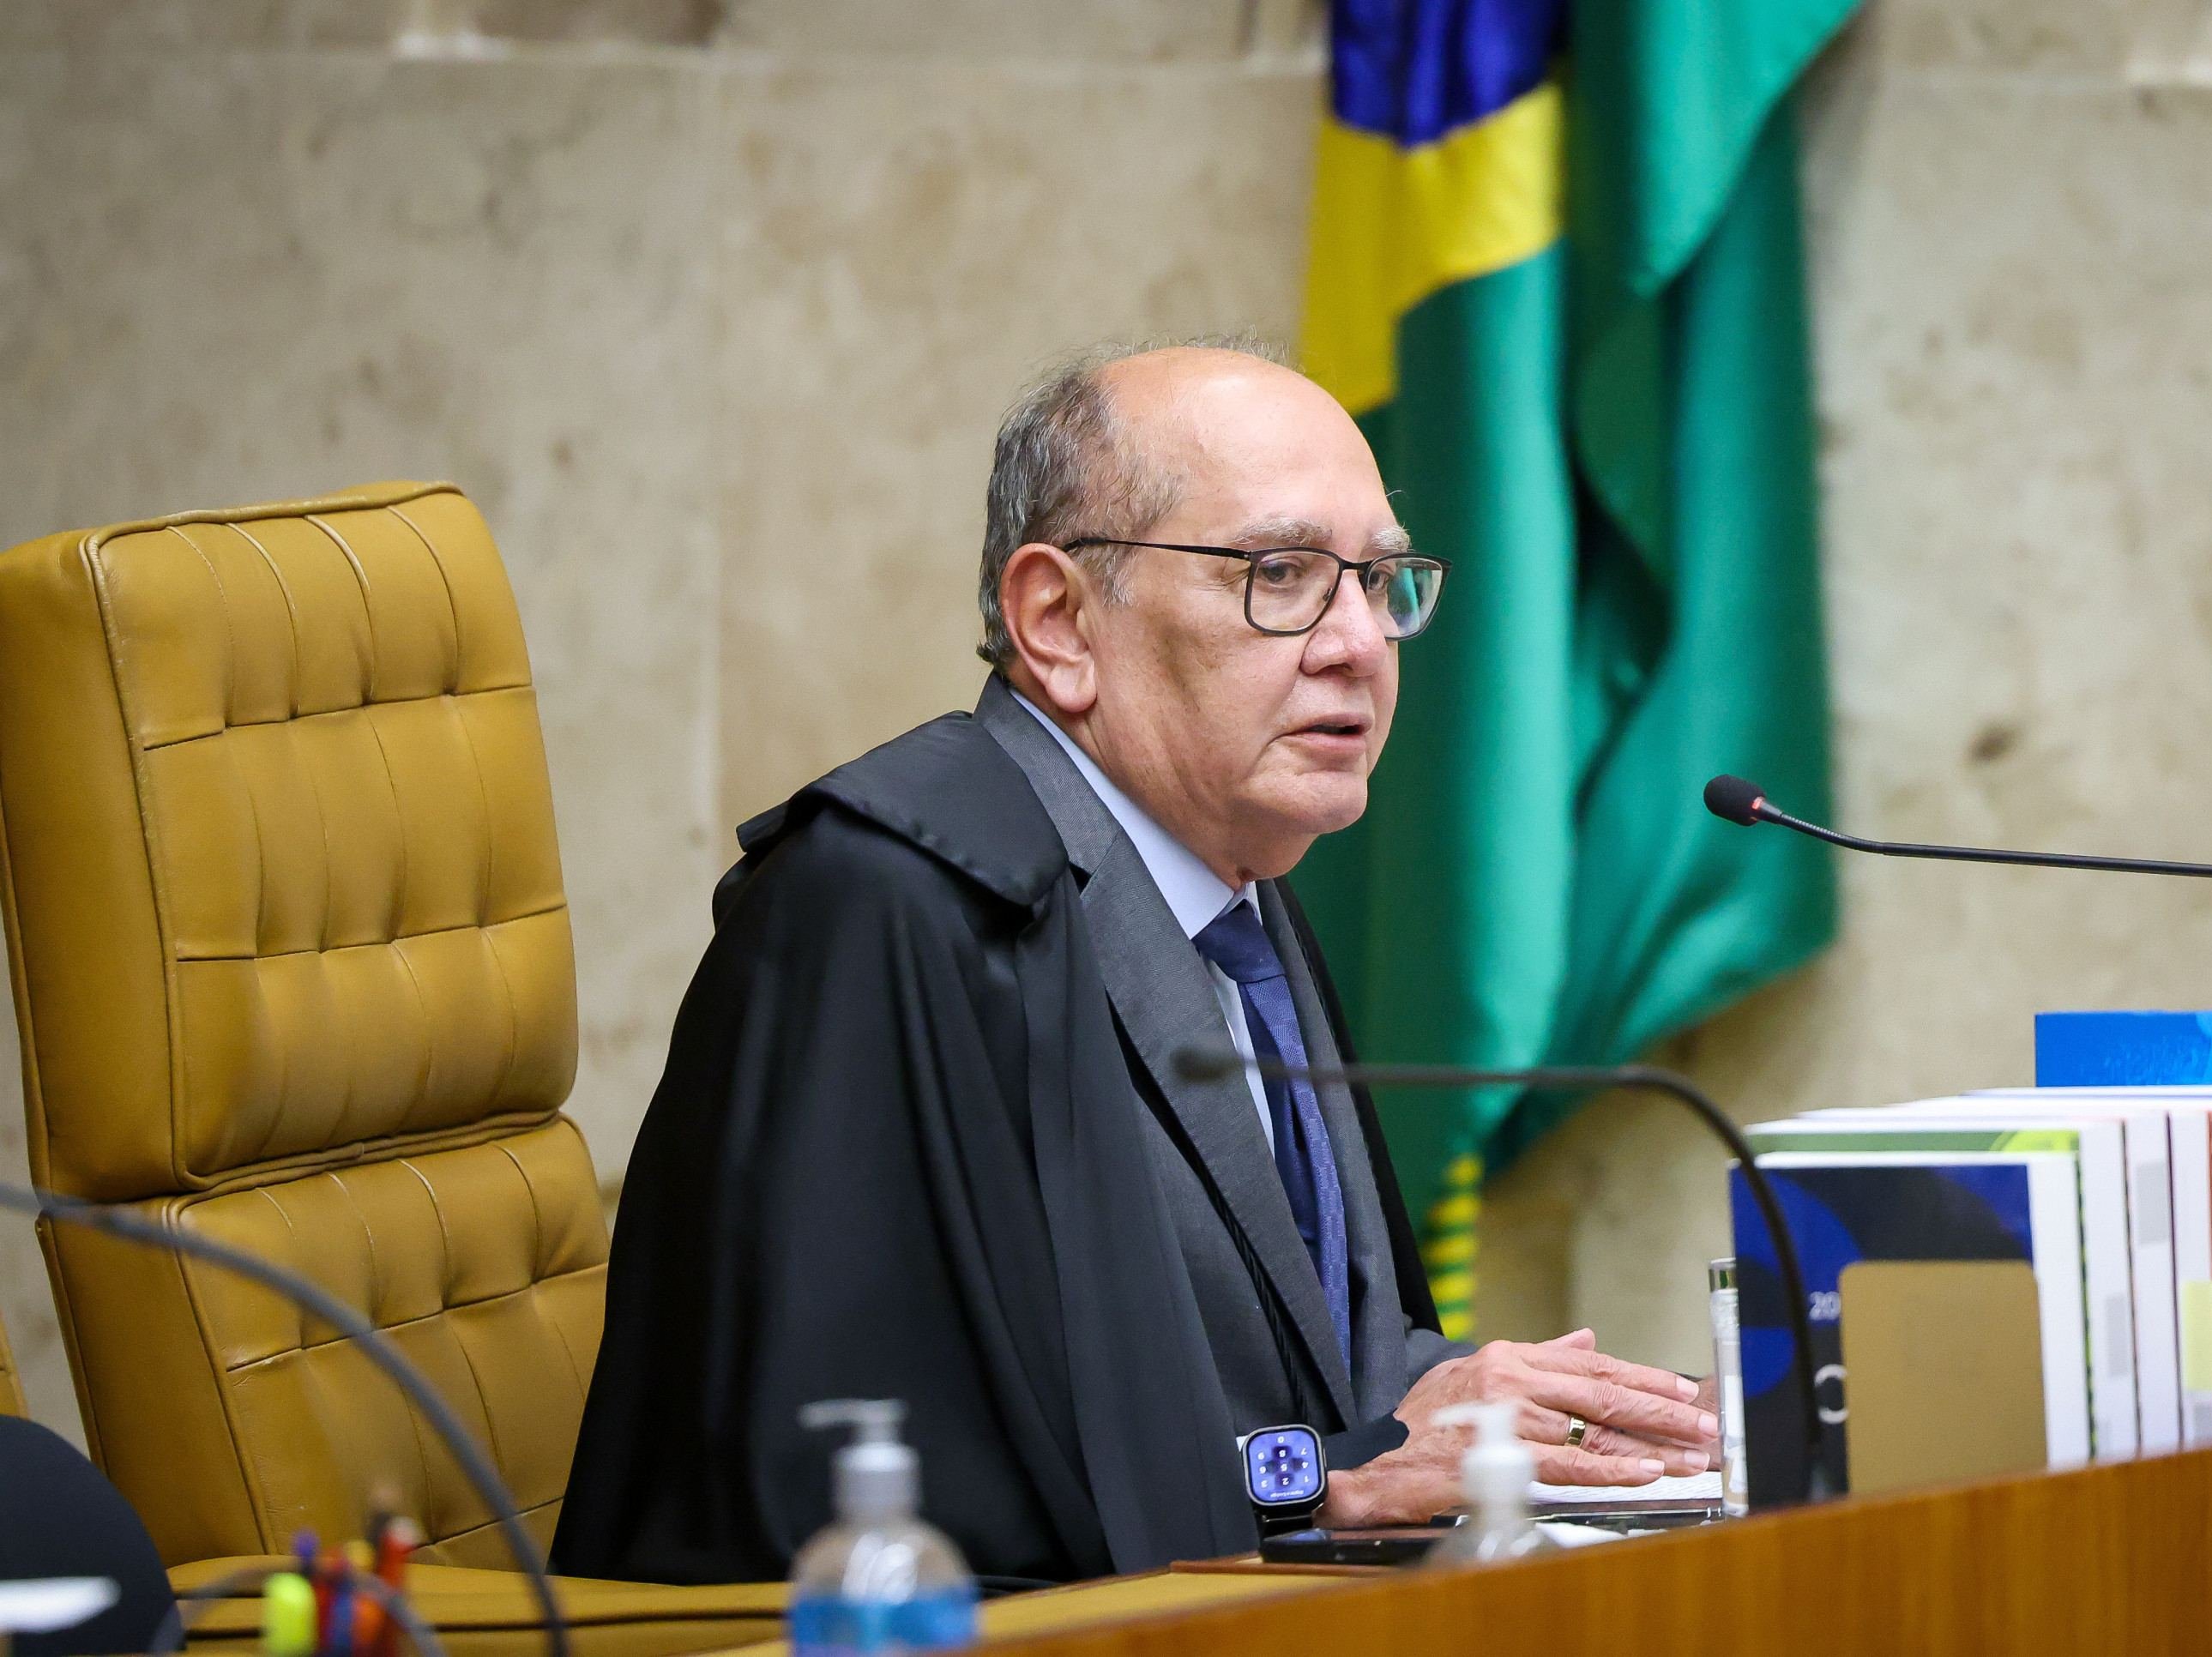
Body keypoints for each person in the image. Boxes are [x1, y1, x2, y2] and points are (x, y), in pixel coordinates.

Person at [552, 342, 1718, 1588]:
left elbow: (1299, 1366)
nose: (1361, 643)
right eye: (1280, 574)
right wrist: (1325, 1480)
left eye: (1381, 582)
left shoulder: (1236, 881)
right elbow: (851, 1484)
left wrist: (1527, 1419)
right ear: (1058, 621)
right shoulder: (884, 904)